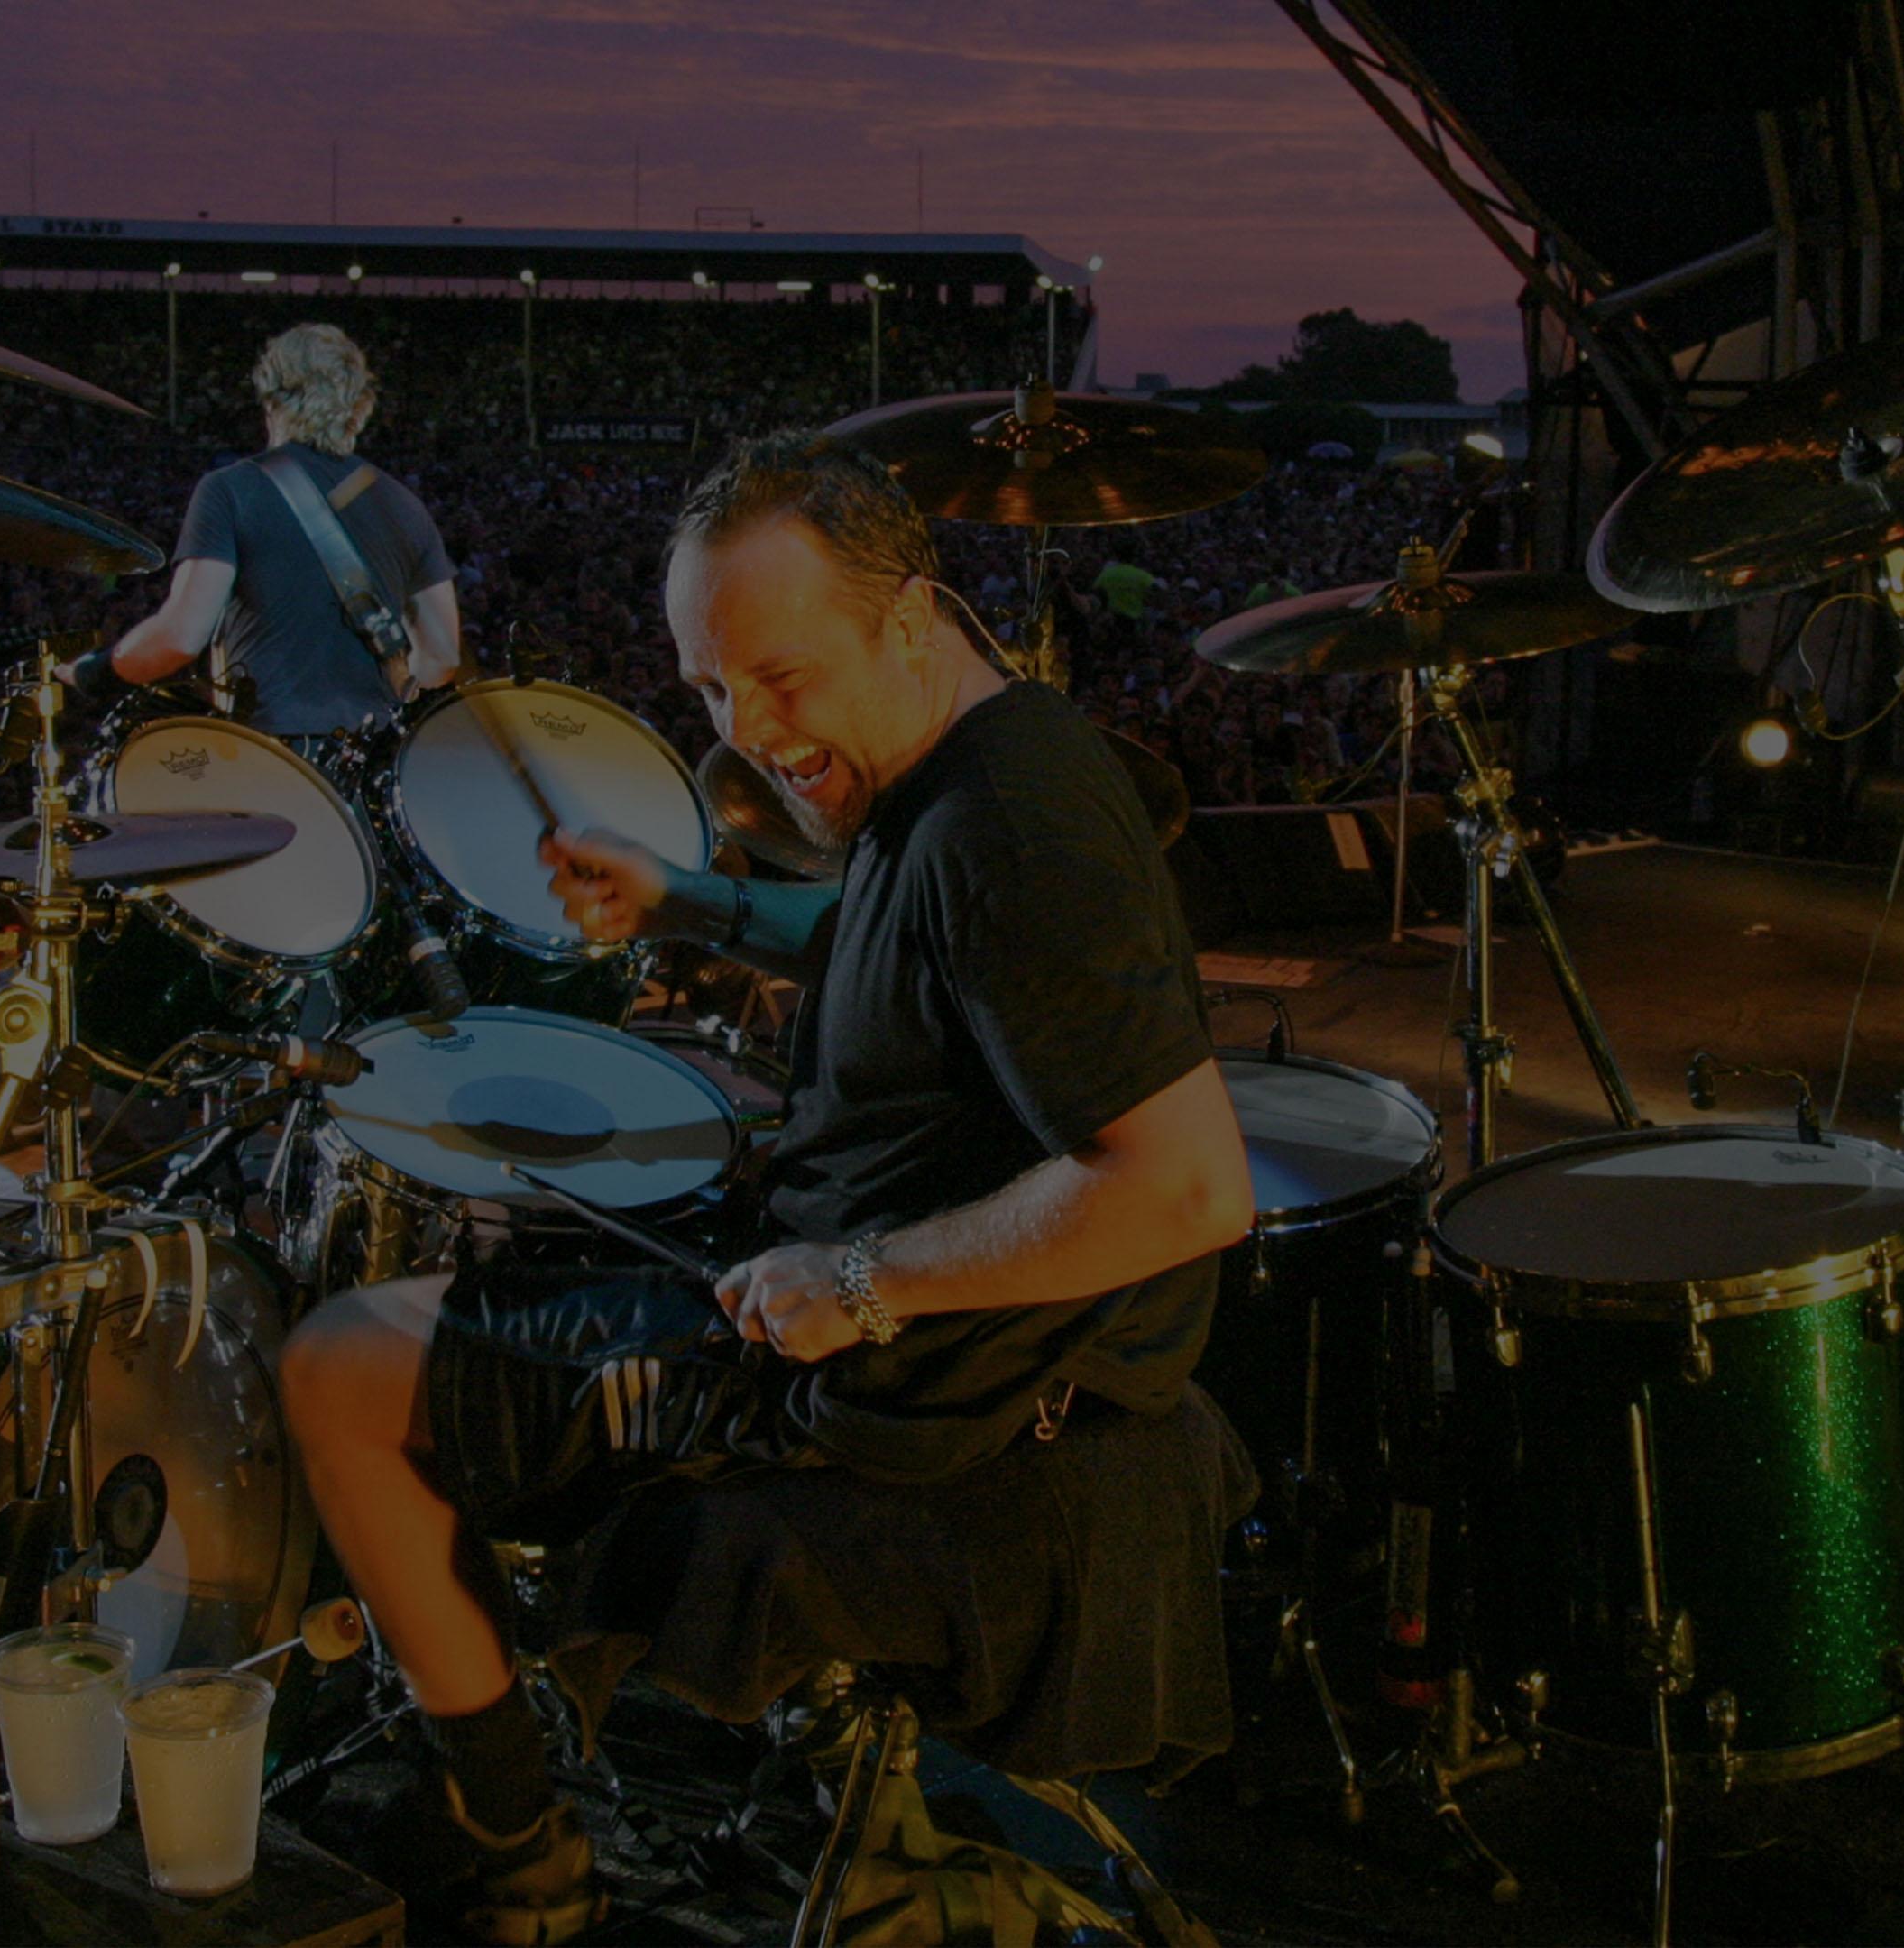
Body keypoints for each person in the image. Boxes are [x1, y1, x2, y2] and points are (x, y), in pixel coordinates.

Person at [275, 435, 1253, 1942]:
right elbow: (900, 942)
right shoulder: (968, 762)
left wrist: (866, 1281)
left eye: (782, 678)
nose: (751, 731)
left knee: (343, 1367)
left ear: (911, 620)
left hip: (899, 1403)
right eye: (712, 690)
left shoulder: (1017, 829)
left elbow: (1187, 1190)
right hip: (883, 1340)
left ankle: (515, 1844)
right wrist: (694, 904)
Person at [62, 323, 463, 739]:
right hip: (371, 761)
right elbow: (441, 657)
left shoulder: (232, 490)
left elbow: (180, 637)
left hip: (271, 757)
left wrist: (94, 672)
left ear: (270, 399)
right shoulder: (404, 505)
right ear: (359, 408)